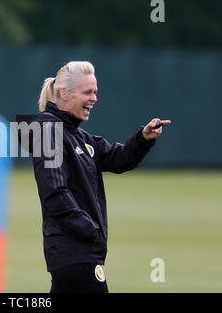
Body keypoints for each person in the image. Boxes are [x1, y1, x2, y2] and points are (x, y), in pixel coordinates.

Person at [18, 61, 170, 293]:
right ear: (64, 93)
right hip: (74, 253)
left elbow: (120, 159)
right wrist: (90, 229)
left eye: (95, 92)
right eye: (87, 92)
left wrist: (143, 137)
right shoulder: (47, 130)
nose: (94, 98)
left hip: (78, 254)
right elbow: (54, 193)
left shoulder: (80, 137)